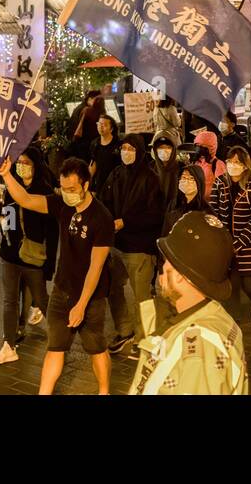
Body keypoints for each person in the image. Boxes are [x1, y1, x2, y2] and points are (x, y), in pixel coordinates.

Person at [0, 155, 114, 395]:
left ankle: (104, 391)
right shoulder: (62, 204)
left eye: (72, 189)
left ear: (85, 185)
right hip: (62, 289)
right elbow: (27, 200)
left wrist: (81, 305)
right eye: (63, 188)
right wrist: (7, 174)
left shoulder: (102, 218)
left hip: (91, 297)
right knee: (56, 346)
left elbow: (96, 266)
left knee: (96, 348)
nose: (67, 193)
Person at [128, 212, 248, 395]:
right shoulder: (215, 317)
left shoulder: (198, 354)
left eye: (168, 261)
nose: (163, 268)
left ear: (180, 275)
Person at [0, 146, 56, 365]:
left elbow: (52, 234)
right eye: (20, 162)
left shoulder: (44, 192)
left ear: (36, 166)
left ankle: (58, 338)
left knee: (42, 300)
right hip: (10, 254)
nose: (21, 166)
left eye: (26, 163)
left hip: (33, 258)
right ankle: (9, 345)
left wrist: (49, 267)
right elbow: (8, 218)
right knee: (10, 300)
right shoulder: (10, 186)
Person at [100, 134, 165, 355]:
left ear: (139, 151)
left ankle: (145, 337)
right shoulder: (116, 174)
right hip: (116, 245)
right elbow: (104, 202)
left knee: (142, 296)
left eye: (131, 148)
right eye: (123, 148)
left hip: (140, 246)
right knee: (112, 288)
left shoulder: (150, 178)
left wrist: (126, 222)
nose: (126, 152)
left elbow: (155, 215)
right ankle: (124, 329)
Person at [210, 148, 251, 331]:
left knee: (250, 286)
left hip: (250, 245)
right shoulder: (220, 183)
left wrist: (238, 243)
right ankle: (231, 322)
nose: (232, 165)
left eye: (237, 162)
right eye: (229, 161)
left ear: (245, 165)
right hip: (225, 244)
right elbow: (213, 210)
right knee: (231, 286)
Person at [89, 113, 122, 193]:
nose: (101, 127)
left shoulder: (118, 144)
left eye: (104, 125)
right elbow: (93, 163)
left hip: (115, 182)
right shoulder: (95, 143)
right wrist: (89, 181)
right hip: (100, 182)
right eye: (99, 124)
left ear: (111, 129)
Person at [191, 129, 226, 194]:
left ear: (211, 147)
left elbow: (223, 187)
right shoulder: (196, 162)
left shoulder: (218, 164)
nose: (199, 148)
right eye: (197, 145)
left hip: (211, 202)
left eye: (202, 146)